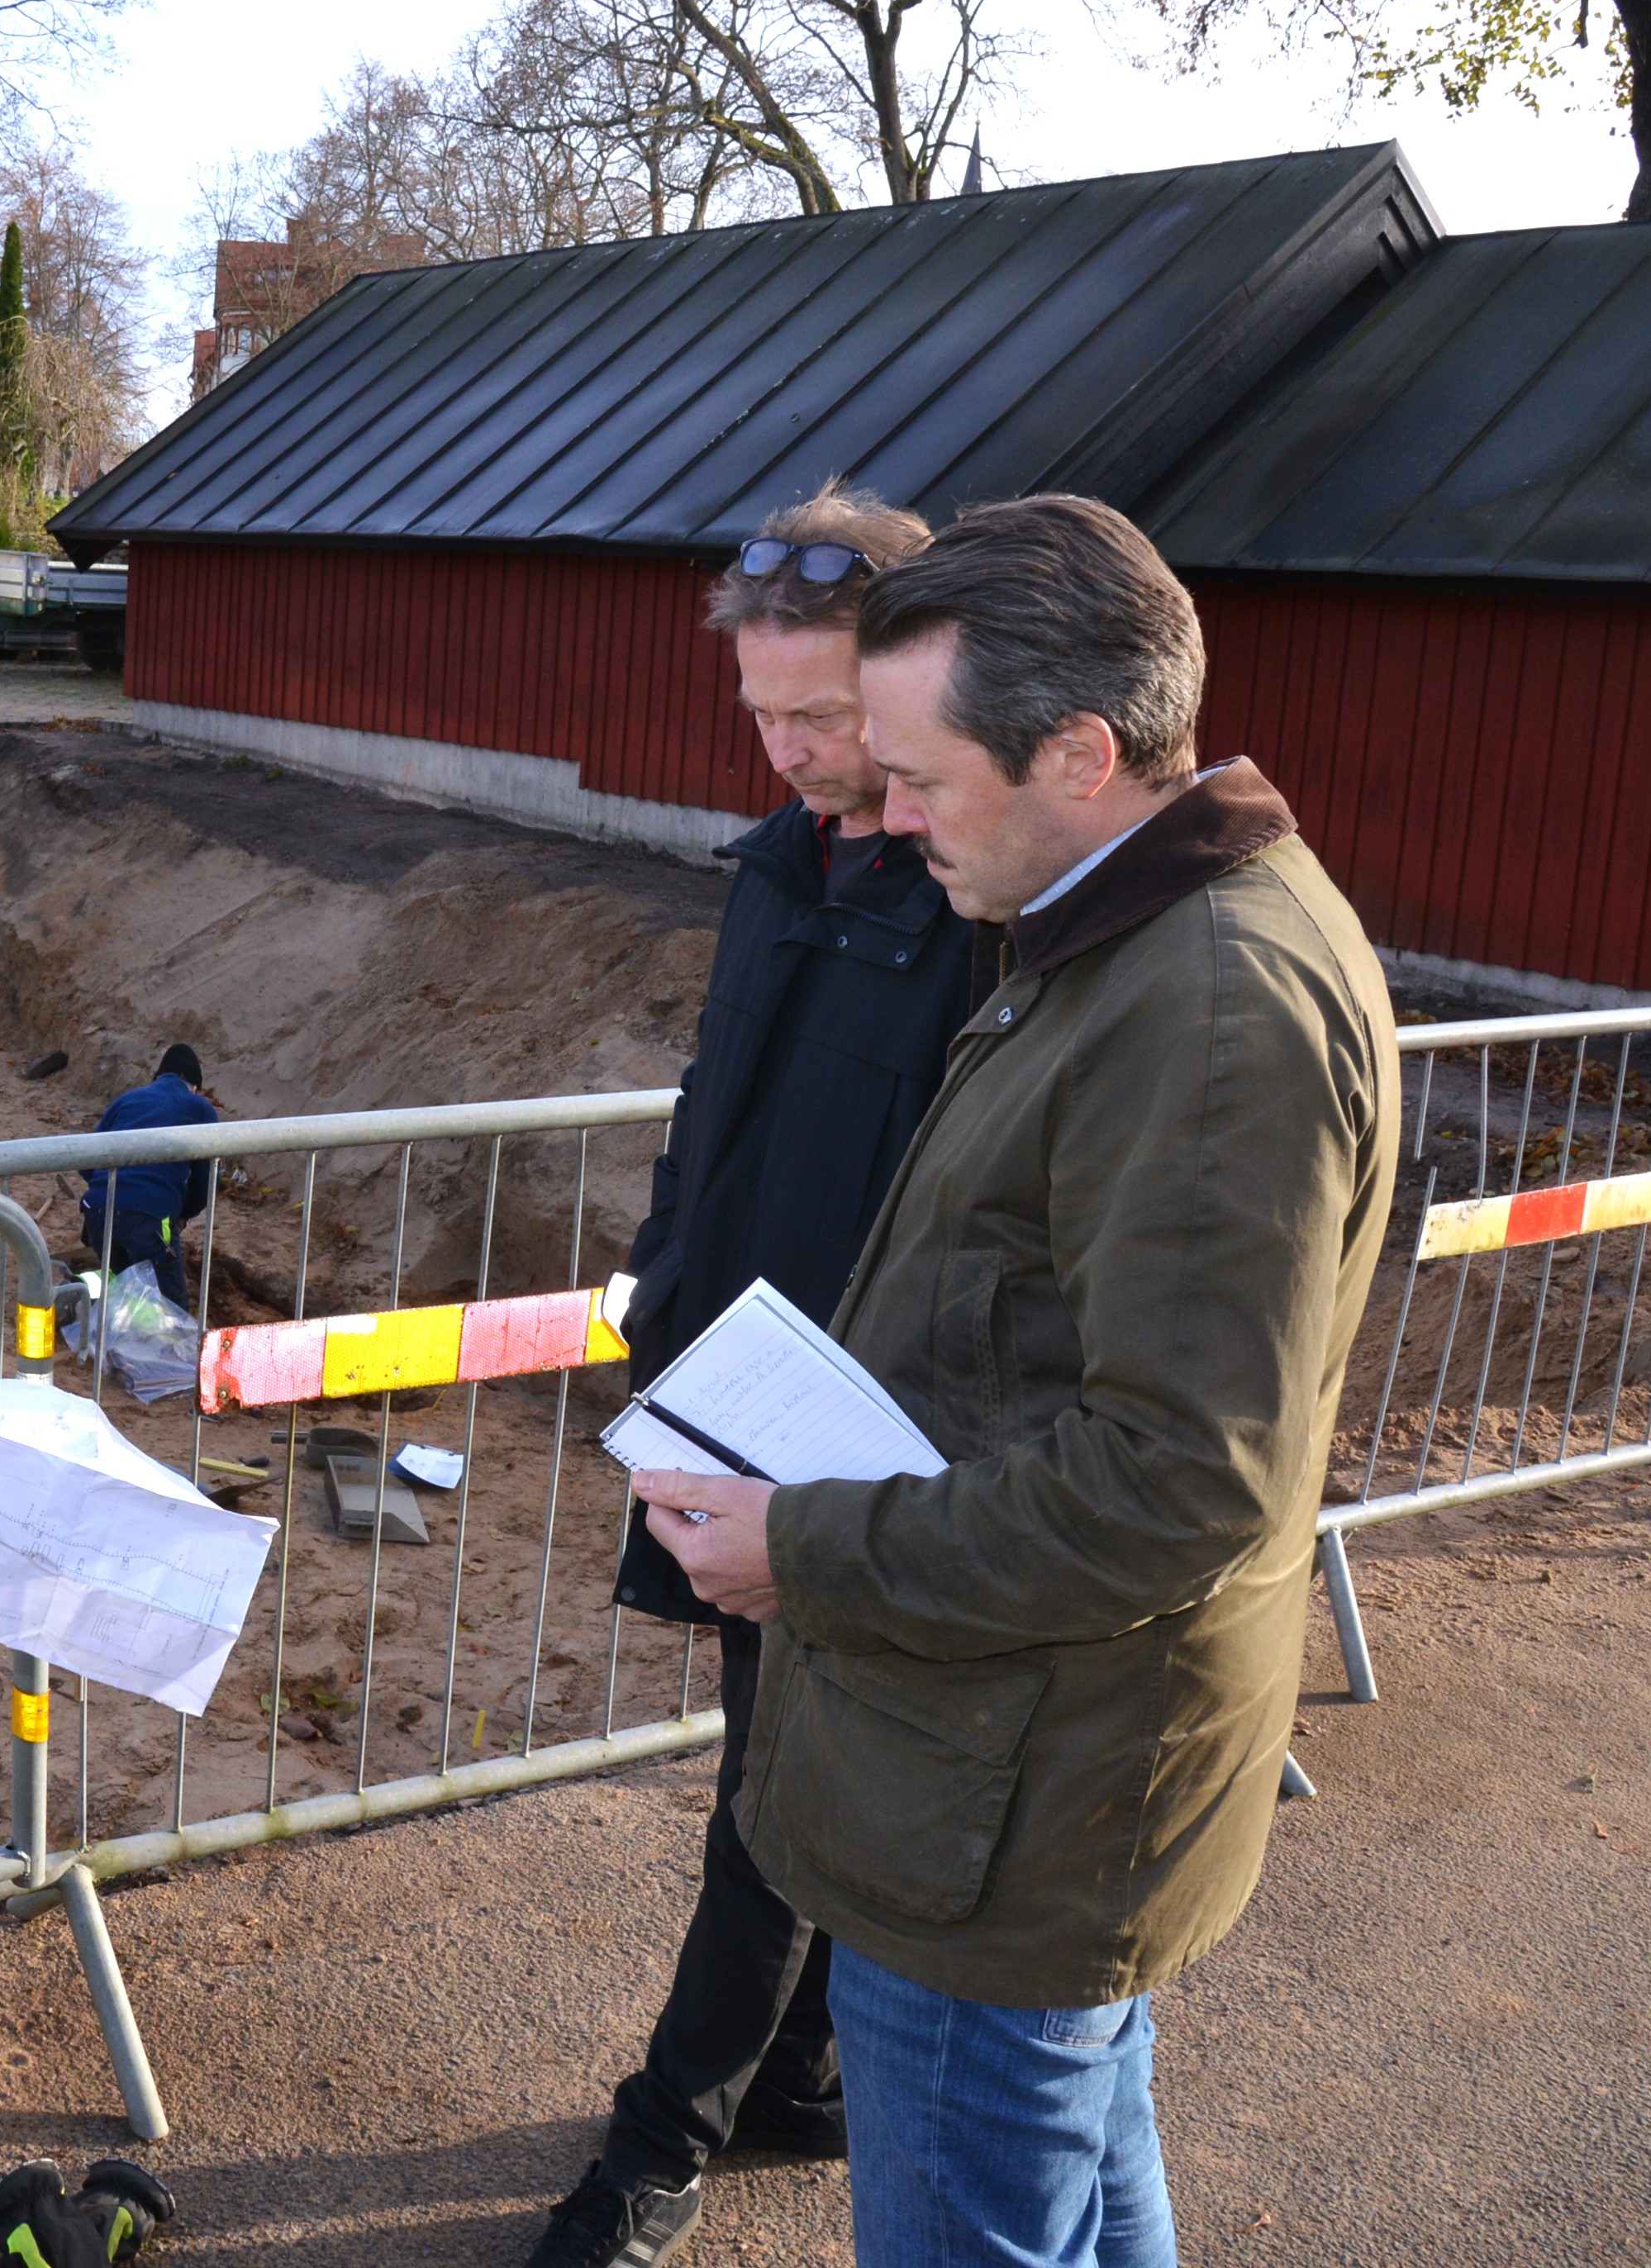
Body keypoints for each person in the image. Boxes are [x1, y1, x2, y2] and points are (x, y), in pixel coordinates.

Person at [633, 496, 1401, 2268]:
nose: (883, 819)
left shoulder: (1209, 1014)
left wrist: (804, 1549)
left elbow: (1180, 1482)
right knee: (1081, 2183)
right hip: (1014, 1777)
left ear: (1078, 751)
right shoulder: (1119, 937)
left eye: (917, 776)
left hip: (1009, 1807)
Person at [531, 486, 975, 2268]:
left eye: (823, 719)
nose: (789, 752)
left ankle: (659, 2145)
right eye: (764, 715)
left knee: (769, 1806)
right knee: (770, 1773)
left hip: (862, 1444)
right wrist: (659, 1279)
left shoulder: (968, 903)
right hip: (726, 1393)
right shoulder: (783, 869)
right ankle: (796, 2074)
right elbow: (717, 1117)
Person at [77, 1044, 217, 1308]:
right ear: (194, 1086)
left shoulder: (127, 1100)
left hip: (97, 1213)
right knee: (169, 1307)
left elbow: (86, 1160)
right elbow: (206, 1184)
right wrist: (182, 1213)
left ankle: (118, 1343)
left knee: (126, 1295)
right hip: (149, 1220)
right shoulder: (199, 1108)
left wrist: (110, 1191)